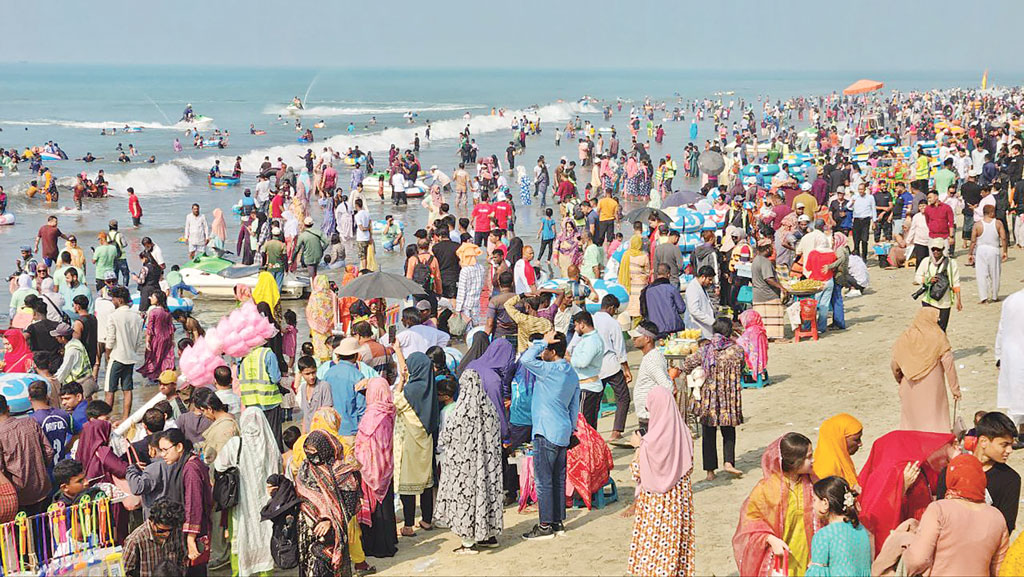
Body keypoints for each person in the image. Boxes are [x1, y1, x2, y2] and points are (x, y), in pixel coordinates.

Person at [901, 454, 1009, 576]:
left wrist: (902, 554)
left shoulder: (939, 510)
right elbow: (1000, 568)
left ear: (951, 478)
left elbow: (918, 559)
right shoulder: (997, 517)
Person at [626, 387, 695, 577]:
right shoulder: (685, 435)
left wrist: (638, 447)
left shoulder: (648, 443)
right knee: (675, 548)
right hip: (678, 506)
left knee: (653, 550)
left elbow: (636, 471)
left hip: (654, 508)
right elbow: (689, 466)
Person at [434, 368, 504, 554]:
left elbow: (445, 438)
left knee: (466, 500)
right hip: (488, 468)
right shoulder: (490, 409)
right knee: (486, 496)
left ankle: (468, 543)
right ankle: (489, 536)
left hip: (464, 469)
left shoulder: (459, 412)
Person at [520, 331, 579, 539]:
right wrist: (572, 428)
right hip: (563, 429)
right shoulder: (571, 372)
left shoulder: (548, 369)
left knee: (544, 481)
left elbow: (526, 358)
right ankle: (557, 521)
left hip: (546, 430)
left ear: (552, 351)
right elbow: (574, 406)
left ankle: (545, 525)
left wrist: (541, 342)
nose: (542, 352)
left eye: (545, 350)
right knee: (558, 478)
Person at [857, 430, 956, 554]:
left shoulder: (914, 468)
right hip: (902, 539)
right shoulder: (889, 474)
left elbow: (935, 484)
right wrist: (902, 488)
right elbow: (878, 513)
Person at [733, 433, 817, 577]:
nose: (813, 460)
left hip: (809, 558)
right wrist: (770, 539)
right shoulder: (767, 489)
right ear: (793, 462)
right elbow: (751, 523)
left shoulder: (813, 484)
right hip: (780, 561)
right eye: (808, 457)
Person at [213, 407, 279, 576]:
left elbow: (219, 465)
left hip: (241, 505)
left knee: (241, 540)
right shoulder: (271, 446)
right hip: (266, 506)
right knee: (265, 539)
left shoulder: (236, 444)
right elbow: (278, 474)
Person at [681, 317, 744, 481]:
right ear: (729, 332)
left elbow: (687, 364)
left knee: (708, 433)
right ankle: (729, 463)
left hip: (708, 398)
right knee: (728, 430)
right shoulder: (736, 351)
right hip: (728, 398)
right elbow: (742, 367)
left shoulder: (705, 350)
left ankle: (710, 471)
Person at [936, 411, 1021, 532]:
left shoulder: (1010, 479)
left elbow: (1006, 526)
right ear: (984, 442)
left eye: (1011, 445)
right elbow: (940, 512)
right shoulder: (952, 470)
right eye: (1004, 444)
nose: (1009, 450)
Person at [295, 430, 360, 577]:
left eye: (314, 450)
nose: (310, 455)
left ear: (325, 448)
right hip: (308, 531)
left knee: (329, 568)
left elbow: (348, 508)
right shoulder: (305, 469)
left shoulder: (343, 473)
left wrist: (329, 521)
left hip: (331, 534)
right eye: (307, 450)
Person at [891, 306, 960, 433]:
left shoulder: (906, 337)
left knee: (912, 424)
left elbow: (895, 364)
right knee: (936, 421)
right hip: (933, 387)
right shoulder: (938, 336)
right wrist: (955, 389)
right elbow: (948, 364)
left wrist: (900, 380)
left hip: (909, 385)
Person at [393, 349, 438, 536]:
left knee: (408, 484)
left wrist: (401, 381)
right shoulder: (430, 387)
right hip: (426, 441)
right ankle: (427, 520)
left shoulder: (411, 389)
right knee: (426, 483)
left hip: (409, 443)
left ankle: (409, 525)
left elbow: (395, 402)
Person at [353, 377, 398, 558]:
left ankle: (377, 546)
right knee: (386, 506)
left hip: (371, 469)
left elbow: (364, 446)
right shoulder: (388, 410)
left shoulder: (371, 415)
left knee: (375, 510)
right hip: (386, 465)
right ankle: (389, 541)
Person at [805, 476, 872, 577]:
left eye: (814, 500)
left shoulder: (824, 535)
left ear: (825, 503)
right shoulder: (861, 529)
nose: (812, 505)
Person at [0, 393, 53, 515]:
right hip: (43, 487)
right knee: (45, 528)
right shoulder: (30, 422)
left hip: (19, 495)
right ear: (8, 408)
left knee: (25, 532)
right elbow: (49, 451)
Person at [122, 498, 188, 577]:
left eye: (170, 530)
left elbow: (182, 560)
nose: (166, 534)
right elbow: (125, 572)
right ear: (152, 522)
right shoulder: (135, 540)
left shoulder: (176, 532)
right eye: (161, 531)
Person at [104, 286, 144, 419]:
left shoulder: (113, 316)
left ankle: (106, 419)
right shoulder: (137, 317)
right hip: (130, 356)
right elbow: (139, 340)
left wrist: (107, 353)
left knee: (109, 390)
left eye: (113, 299)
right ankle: (125, 418)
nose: (112, 302)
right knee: (127, 389)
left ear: (119, 300)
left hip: (116, 356)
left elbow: (110, 339)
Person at [913, 237, 962, 331]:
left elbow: (956, 283)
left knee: (941, 330)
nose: (935, 252)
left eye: (938, 249)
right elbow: (917, 277)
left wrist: (959, 300)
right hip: (928, 300)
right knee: (928, 329)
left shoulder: (952, 263)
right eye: (933, 249)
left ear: (943, 249)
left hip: (945, 303)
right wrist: (928, 280)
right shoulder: (926, 261)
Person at [812, 414, 863, 490]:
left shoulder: (839, 458)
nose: (860, 444)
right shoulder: (827, 470)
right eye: (856, 440)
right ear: (840, 440)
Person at [750, 239, 788, 341]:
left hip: (758, 294)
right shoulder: (764, 261)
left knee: (763, 319)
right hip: (768, 294)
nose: (773, 250)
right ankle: (777, 337)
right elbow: (768, 278)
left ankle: (766, 336)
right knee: (776, 315)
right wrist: (781, 287)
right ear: (767, 249)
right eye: (771, 248)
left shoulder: (756, 260)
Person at [969, 204, 1008, 303]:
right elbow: (1003, 238)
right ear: (991, 213)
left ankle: (983, 297)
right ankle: (994, 296)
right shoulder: (998, 223)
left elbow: (973, 241)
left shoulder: (977, 224)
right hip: (994, 249)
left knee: (981, 274)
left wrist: (970, 253)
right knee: (995, 274)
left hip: (981, 250)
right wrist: (1005, 251)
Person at [997, 288, 1024, 426]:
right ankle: (1012, 436)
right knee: (1017, 400)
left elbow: (1001, 329)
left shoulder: (1010, 300)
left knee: (1015, 398)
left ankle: (1017, 435)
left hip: (1010, 355)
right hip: (1017, 355)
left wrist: (998, 355)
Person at [639, 263, 686, 338]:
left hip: (655, 330)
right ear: (668, 274)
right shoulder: (671, 289)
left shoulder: (647, 290)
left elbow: (643, 311)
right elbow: (681, 308)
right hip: (673, 328)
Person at [139, 291, 175, 383]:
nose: (150, 298)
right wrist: (172, 340)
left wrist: (147, 341)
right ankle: (164, 375)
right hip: (166, 337)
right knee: (165, 356)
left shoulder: (153, 312)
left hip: (156, 337)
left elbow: (150, 328)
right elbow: (171, 327)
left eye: (152, 297)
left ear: (158, 299)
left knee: (153, 357)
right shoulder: (167, 312)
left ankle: (153, 376)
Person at [684, 266, 716, 339]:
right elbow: (694, 311)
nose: (711, 282)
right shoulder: (693, 288)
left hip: (704, 327)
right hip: (697, 327)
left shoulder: (700, 286)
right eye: (709, 279)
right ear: (703, 277)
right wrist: (712, 321)